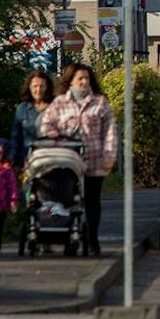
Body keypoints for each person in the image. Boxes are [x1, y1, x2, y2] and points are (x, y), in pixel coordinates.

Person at [40, 64, 117, 257]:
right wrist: (53, 134)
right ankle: (69, 237)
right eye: (79, 78)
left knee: (92, 201)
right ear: (71, 80)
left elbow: (110, 132)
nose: (83, 82)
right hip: (67, 160)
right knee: (67, 199)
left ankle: (92, 238)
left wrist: (109, 155)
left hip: (94, 160)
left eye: (86, 78)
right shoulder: (59, 103)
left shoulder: (100, 103)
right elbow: (45, 124)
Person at [10, 70, 56, 167]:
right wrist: (12, 161)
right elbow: (16, 138)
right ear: (29, 87)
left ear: (47, 87)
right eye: (35, 86)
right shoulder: (22, 109)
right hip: (28, 160)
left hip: (52, 159)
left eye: (41, 86)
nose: (38, 90)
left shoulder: (56, 107)